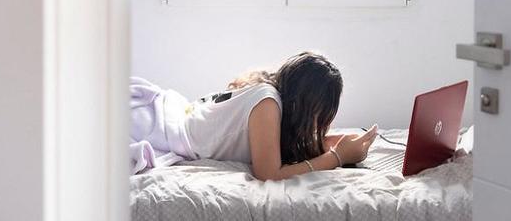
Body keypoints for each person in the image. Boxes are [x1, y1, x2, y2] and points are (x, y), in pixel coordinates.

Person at [129, 51, 378, 180]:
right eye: (319, 113)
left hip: (171, 114)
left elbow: (275, 144)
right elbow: (268, 174)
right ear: (305, 103)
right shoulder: (267, 102)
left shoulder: (270, 96)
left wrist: (329, 144)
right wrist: (336, 158)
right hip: (159, 128)